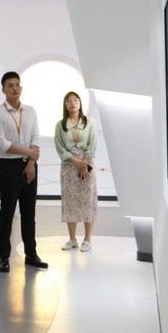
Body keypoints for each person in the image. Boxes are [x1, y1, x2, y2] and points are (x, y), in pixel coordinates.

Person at [0, 71, 48, 273]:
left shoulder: (30, 111)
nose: (15, 88)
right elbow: (2, 144)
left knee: (29, 212)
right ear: (3, 89)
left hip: (29, 165)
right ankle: (4, 257)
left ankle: (31, 254)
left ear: (21, 87)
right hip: (8, 167)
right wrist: (29, 153)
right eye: (10, 85)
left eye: (17, 85)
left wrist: (31, 161)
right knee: (7, 212)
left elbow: (36, 137)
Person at [54, 91, 98, 252]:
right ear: (65, 104)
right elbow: (60, 147)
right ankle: (72, 239)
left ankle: (87, 239)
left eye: (76, 100)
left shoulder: (89, 122)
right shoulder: (60, 125)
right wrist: (76, 162)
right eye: (69, 101)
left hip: (87, 164)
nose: (72, 103)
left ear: (80, 103)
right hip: (69, 165)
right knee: (70, 201)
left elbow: (92, 144)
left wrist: (84, 163)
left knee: (88, 199)